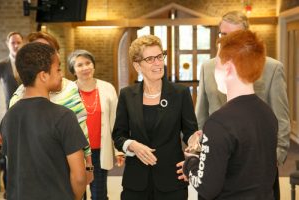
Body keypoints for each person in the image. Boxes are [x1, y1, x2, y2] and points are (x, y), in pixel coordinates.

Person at [195, 10, 290, 199]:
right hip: (218, 158)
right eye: (223, 34)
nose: (226, 40)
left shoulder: (271, 68)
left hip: (255, 164)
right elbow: (201, 115)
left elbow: (281, 119)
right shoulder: (208, 67)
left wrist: (274, 159)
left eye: (234, 35)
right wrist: (201, 154)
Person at [178, 30, 278, 199]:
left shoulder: (219, 122)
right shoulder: (268, 113)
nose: (214, 70)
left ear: (229, 69)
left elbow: (207, 187)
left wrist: (191, 162)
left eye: (217, 64)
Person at [112, 35, 199, 200]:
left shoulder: (180, 93)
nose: (158, 63)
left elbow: (190, 133)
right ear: (137, 65)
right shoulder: (127, 95)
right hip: (136, 182)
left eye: (160, 57)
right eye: (150, 59)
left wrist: (194, 152)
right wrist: (132, 145)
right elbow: (118, 135)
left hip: (172, 180)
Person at [0, 42, 88, 200]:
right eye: (58, 69)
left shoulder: (8, 117)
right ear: (43, 75)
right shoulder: (64, 116)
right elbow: (80, 177)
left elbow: (12, 165)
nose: (61, 74)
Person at [67, 49, 125, 200]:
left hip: (99, 151)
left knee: (99, 194)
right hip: (75, 152)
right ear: (73, 70)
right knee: (76, 193)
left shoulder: (107, 88)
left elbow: (115, 120)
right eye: (80, 65)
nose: (85, 67)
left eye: (88, 63)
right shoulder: (67, 91)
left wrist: (118, 150)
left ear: (93, 65)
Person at [0, 31, 23, 197]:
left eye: (18, 42)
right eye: (13, 42)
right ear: (7, 44)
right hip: (8, 117)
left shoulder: (28, 63)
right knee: (9, 156)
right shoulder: (1, 65)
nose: (16, 45)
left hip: (28, 115)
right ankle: (10, 191)